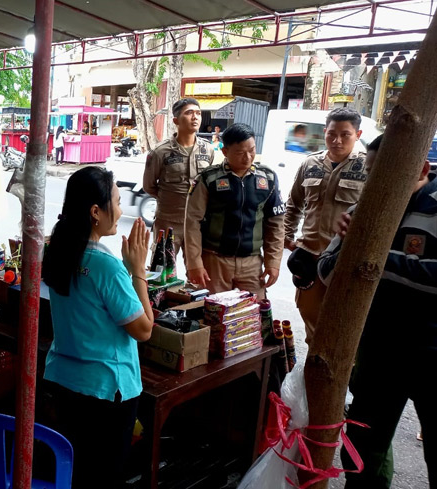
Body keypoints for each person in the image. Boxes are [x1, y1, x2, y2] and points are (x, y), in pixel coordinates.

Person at [317, 134, 435, 488]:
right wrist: (350, 247)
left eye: (387, 174)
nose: (376, 183)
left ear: (422, 169)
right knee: (362, 447)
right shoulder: (361, 209)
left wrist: (378, 255)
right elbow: (326, 272)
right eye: (371, 172)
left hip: (431, 350)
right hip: (378, 348)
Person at [42, 167, 155, 489]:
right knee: (103, 474)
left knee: (74, 468)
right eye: (117, 202)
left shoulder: (57, 251)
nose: (120, 211)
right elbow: (144, 330)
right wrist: (138, 272)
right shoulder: (106, 266)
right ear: (95, 211)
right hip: (106, 390)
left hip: (64, 379)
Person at [284, 107, 368, 343]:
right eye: (332, 133)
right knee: (309, 313)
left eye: (345, 134)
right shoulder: (310, 164)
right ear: (324, 132)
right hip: (309, 255)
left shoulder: (367, 167)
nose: (337, 140)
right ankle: (315, 361)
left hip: (343, 260)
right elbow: (294, 204)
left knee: (343, 321)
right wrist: (288, 235)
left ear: (358, 134)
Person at [184, 123, 285, 299]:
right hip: (215, 262)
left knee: (253, 316)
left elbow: (276, 223)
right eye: (240, 152)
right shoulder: (209, 179)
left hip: (252, 263)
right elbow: (192, 221)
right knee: (213, 315)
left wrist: (273, 262)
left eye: (252, 150)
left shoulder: (267, 178)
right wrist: (194, 262)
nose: (247, 157)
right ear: (225, 151)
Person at [142, 98, 214, 260]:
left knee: (197, 275)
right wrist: (171, 200)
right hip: (168, 223)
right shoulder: (160, 152)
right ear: (176, 120)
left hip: (197, 224)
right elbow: (149, 186)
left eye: (198, 113)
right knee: (161, 274)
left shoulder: (208, 150)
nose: (195, 117)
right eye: (189, 113)